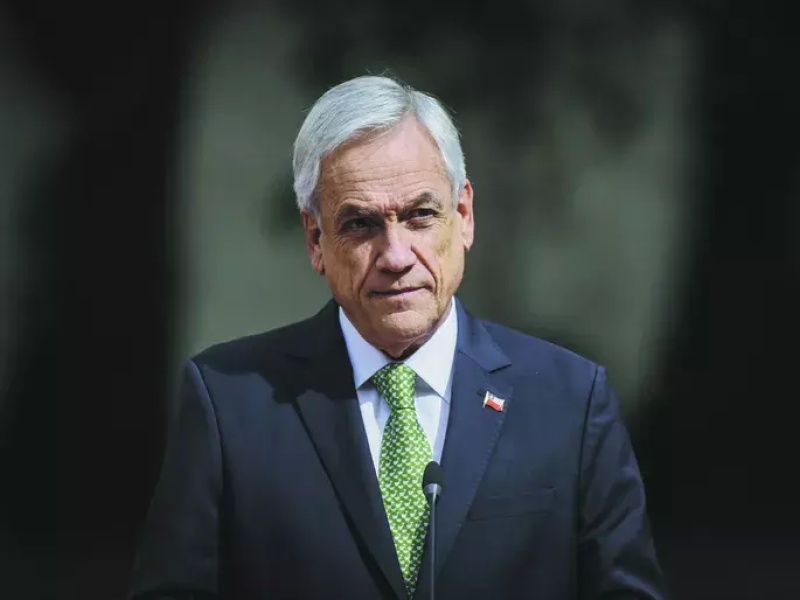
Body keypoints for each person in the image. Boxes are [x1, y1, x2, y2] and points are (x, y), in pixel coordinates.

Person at [128, 75, 667, 600]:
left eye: (420, 216)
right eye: (360, 224)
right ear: (315, 240)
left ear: (463, 216)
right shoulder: (230, 402)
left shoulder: (570, 400)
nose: (395, 256)